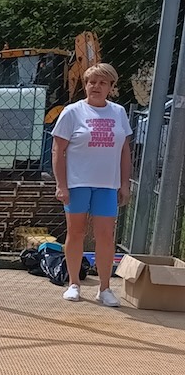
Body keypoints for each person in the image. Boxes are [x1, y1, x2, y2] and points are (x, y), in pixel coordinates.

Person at [50, 61, 133, 306]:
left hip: (107, 185)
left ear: (111, 87)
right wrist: (61, 185)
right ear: (85, 85)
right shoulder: (72, 112)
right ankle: (74, 283)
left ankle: (105, 288)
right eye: (91, 82)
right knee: (76, 232)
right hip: (78, 183)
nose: (96, 86)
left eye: (102, 83)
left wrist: (124, 183)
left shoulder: (118, 112)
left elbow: (124, 150)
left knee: (105, 235)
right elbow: (57, 150)